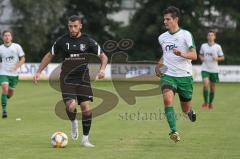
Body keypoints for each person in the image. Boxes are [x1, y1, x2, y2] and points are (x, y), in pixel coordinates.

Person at [33, 15, 108, 147]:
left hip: (83, 78)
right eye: (70, 26)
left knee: (87, 109)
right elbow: (49, 55)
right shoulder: (62, 40)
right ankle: (73, 122)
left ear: (80, 26)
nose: (72, 29)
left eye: (75, 26)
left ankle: (85, 140)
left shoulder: (88, 41)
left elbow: (103, 56)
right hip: (67, 78)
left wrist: (102, 70)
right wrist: (39, 71)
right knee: (71, 105)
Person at [155, 6, 197, 142]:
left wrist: (182, 54)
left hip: (184, 76)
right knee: (167, 100)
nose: (165, 22)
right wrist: (159, 64)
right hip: (169, 75)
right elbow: (165, 54)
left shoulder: (186, 35)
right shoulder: (162, 37)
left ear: (176, 19)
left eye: (168, 19)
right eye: (164, 19)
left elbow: (194, 55)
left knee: (185, 109)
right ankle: (174, 131)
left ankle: (190, 112)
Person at [0, 31, 25, 118]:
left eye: (8, 35)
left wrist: (16, 66)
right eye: (5, 36)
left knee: (9, 94)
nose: (7, 37)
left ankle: (4, 99)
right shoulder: (0, 48)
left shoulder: (17, 47)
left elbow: (22, 59)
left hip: (14, 74)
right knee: (5, 88)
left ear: (11, 37)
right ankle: (4, 111)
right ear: (3, 38)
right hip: (3, 73)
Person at [199, 30, 224, 109]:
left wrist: (217, 58)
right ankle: (205, 103)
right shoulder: (203, 46)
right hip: (205, 68)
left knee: (212, 87)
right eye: (209, 35)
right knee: (206, 85)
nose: (210, 36)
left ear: (214, 37)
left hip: (214, 70)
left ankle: (210, 103)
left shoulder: (218, 47)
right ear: (207, 37)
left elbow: (222, 57)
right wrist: (201, 58)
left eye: (212, 35)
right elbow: (200, 54)